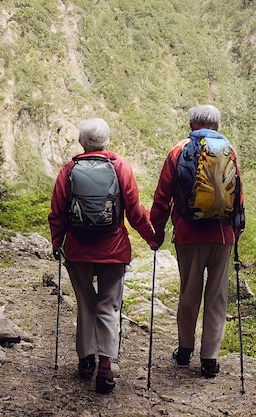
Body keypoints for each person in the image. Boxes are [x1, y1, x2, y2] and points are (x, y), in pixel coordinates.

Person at [48, 117, 158, 394]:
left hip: (78, 250)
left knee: (86, 303)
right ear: (107, 141)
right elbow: (134, 210)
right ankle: (106, 368)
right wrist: (152, 238)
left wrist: (56, 243)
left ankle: (86, 360)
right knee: (109, 307)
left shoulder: (69, 169)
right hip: (113, 250)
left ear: (82, 142)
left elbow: (58, 213)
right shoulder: (120, 167)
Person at [150, 104, 245, 378]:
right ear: (217, 125)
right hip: (222, 235)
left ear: (192, 124)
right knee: (217, 297)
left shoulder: (178, 150)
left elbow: (162, 196)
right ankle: (210, 359)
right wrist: (235, 233)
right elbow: (237, 196)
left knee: (189, 291)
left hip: (189, 234)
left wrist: (156, 232)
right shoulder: (229, 150)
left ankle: (184, 349)